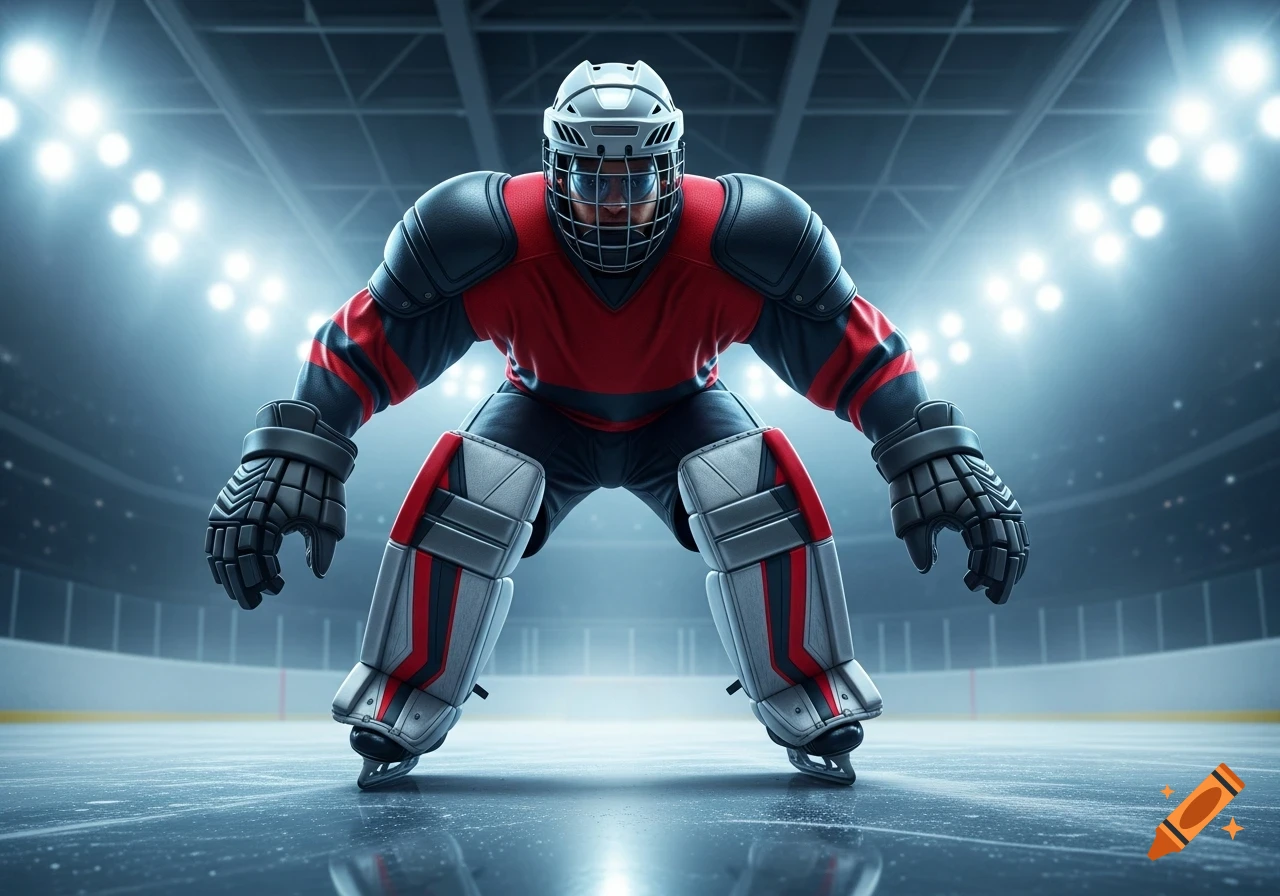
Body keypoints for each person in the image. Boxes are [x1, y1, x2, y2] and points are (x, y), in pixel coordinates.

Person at [206, 61, 1029, 788]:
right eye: (593, 182)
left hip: (681, 413)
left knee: (755, 485)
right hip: (542, 412)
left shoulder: (741, 235)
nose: (613, 204)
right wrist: (304, 440)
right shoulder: (484, 233)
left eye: (634, 181)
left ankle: (807, 682)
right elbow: (375, 336)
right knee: (467, 490)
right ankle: (405, 686)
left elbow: (846, 345)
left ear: (671, 169)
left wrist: (920, 445)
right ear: (554, 171)